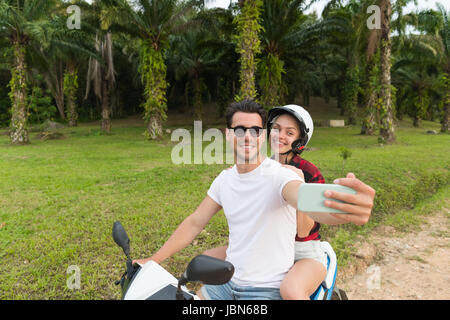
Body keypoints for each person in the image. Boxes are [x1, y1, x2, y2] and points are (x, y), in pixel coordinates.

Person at [134, 100, 374, 300]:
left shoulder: (285, 175)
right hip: (229, 283)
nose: (247, 136)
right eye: (240, 130)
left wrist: (343, 206)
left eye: (255, 131)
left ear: (261, 135)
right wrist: (153, 261)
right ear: (229, 135)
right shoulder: (225, 179)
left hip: (278, 276)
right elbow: (195, 221)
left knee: (292, 291)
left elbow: (303, 200)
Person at [203, 104, 375, 299]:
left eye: (289, 132)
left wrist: (300, 183)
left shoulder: (309, 172)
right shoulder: (260, 167)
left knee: (291, 291)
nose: (280, 136)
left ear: (300, 141)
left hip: (302, 250)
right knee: (205, 261)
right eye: (276, 129)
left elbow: (303, 230)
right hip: (268, 248)